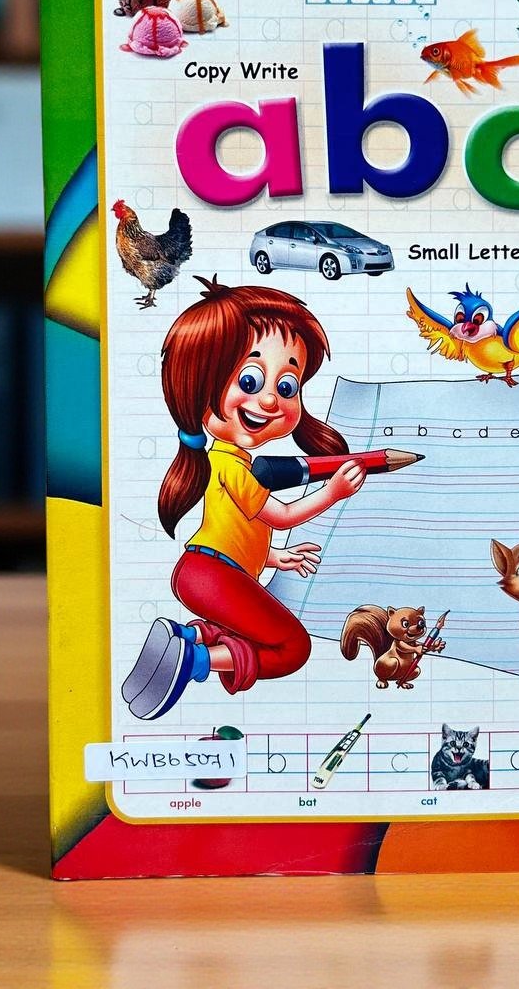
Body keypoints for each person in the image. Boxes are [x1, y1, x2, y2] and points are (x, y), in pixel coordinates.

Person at [121, 277, 365, 717]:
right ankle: (195, 660)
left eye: (287, 386)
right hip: (211, 574)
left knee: (253, 631)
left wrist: (273, 558)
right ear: (198, 388)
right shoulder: (232, 465)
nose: (270, 399)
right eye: (250, 379)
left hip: (207, 569)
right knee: (291, 647)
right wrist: (333, 491)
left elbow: (233, 529)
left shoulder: (230, 463)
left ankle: (191, 637)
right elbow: (281, 515)